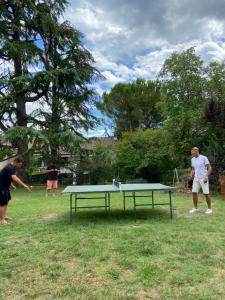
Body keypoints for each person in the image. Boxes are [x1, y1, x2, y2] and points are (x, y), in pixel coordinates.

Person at [0, 157, 32, 224]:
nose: (20, 166)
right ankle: (1, 220)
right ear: (15, 162)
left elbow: (6, 177)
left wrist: (11, 185)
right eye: (19, 164)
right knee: (2, 203)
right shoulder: (9, 168)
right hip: (1, 187)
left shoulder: (11, 167)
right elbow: (15, 179)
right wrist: (24, 186)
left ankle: (4, 216)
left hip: (5, 187)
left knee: (6, 201)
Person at [189, 147, 213, 214]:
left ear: (197, 151)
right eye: (192, 153)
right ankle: (195, 208)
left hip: (203, 178)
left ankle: (209, 209)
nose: (192, 154)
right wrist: (191, 175)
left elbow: (210, 168)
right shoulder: (192, 159)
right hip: (196, 178)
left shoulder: (204, 158)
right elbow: (193, 169)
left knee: (206, 194)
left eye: (193, 153)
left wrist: (206, 177)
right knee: (194, 193)